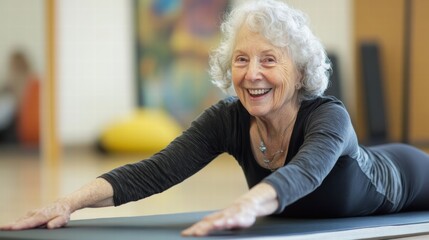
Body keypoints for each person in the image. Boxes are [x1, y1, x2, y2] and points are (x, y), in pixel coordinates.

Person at [2, 0, 429, 237]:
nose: (252, 74)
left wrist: (244, 205)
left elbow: (303, 174)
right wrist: (66, 204)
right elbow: (154, 172)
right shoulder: (228, 119)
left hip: (411, 175)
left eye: (269, 60)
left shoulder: (329, 116)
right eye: (241, 59)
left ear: (299, 72)